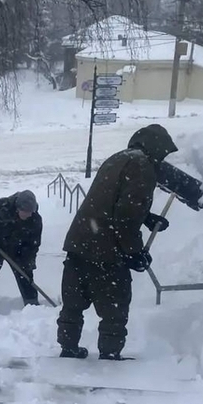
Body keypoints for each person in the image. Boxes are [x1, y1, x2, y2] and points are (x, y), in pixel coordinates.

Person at [57, 124, 177, 360]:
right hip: (106, 251)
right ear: (156, 148)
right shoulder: (142, 166)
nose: (162, 160)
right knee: (114, 308)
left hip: (79, 243)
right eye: (163, 154)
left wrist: (147, 218)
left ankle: (68, 348)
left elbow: (109, 201)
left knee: (73, 304)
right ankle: (110, 357)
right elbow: (126, 216)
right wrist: (134, 252)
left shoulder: (117, 158)